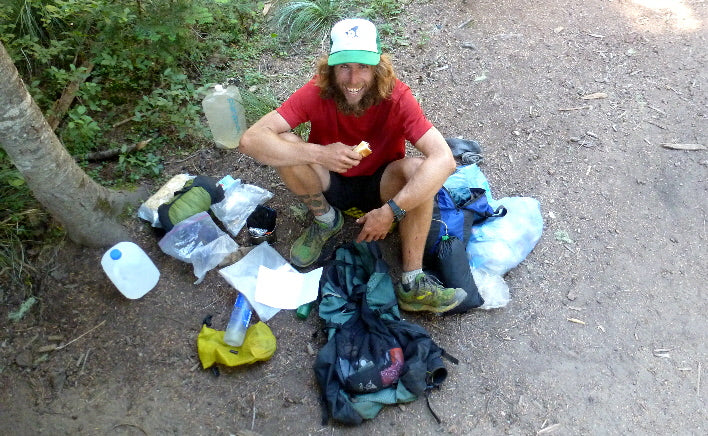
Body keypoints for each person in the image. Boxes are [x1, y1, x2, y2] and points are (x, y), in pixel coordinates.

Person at [239, 18, 466, 313]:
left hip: (382, 185)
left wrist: (392, 211)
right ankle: (326, 220)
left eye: (363, 67)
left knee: (419, 170)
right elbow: (251, 140)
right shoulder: (317, 91)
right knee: (286, 143)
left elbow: (444, 159)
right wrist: (319, 154)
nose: (353, 79)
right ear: (331, 67)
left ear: (378, 67)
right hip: (328, 180)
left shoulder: (397, 97)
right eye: (344, 66)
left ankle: (412, 282)